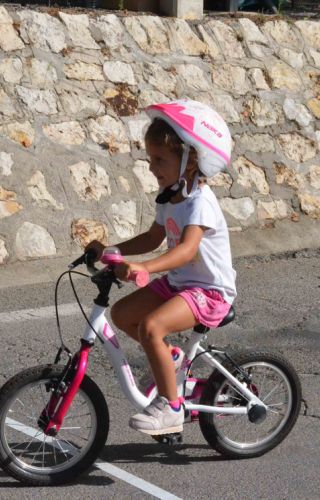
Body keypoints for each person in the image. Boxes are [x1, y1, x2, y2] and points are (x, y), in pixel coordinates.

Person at [85, 99, 237, 435]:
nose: (152, 167)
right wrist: (111, 251)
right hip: (181, 284)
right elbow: (153, 237)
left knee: (151, 326)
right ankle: (171, 358)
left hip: (209, 291)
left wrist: (144, 268)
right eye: (150, 159)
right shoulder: (170, 197)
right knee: (123, 314)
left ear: (189, 161)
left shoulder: (200, 202)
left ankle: (172, 408)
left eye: (159, 159)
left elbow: (185, 251)